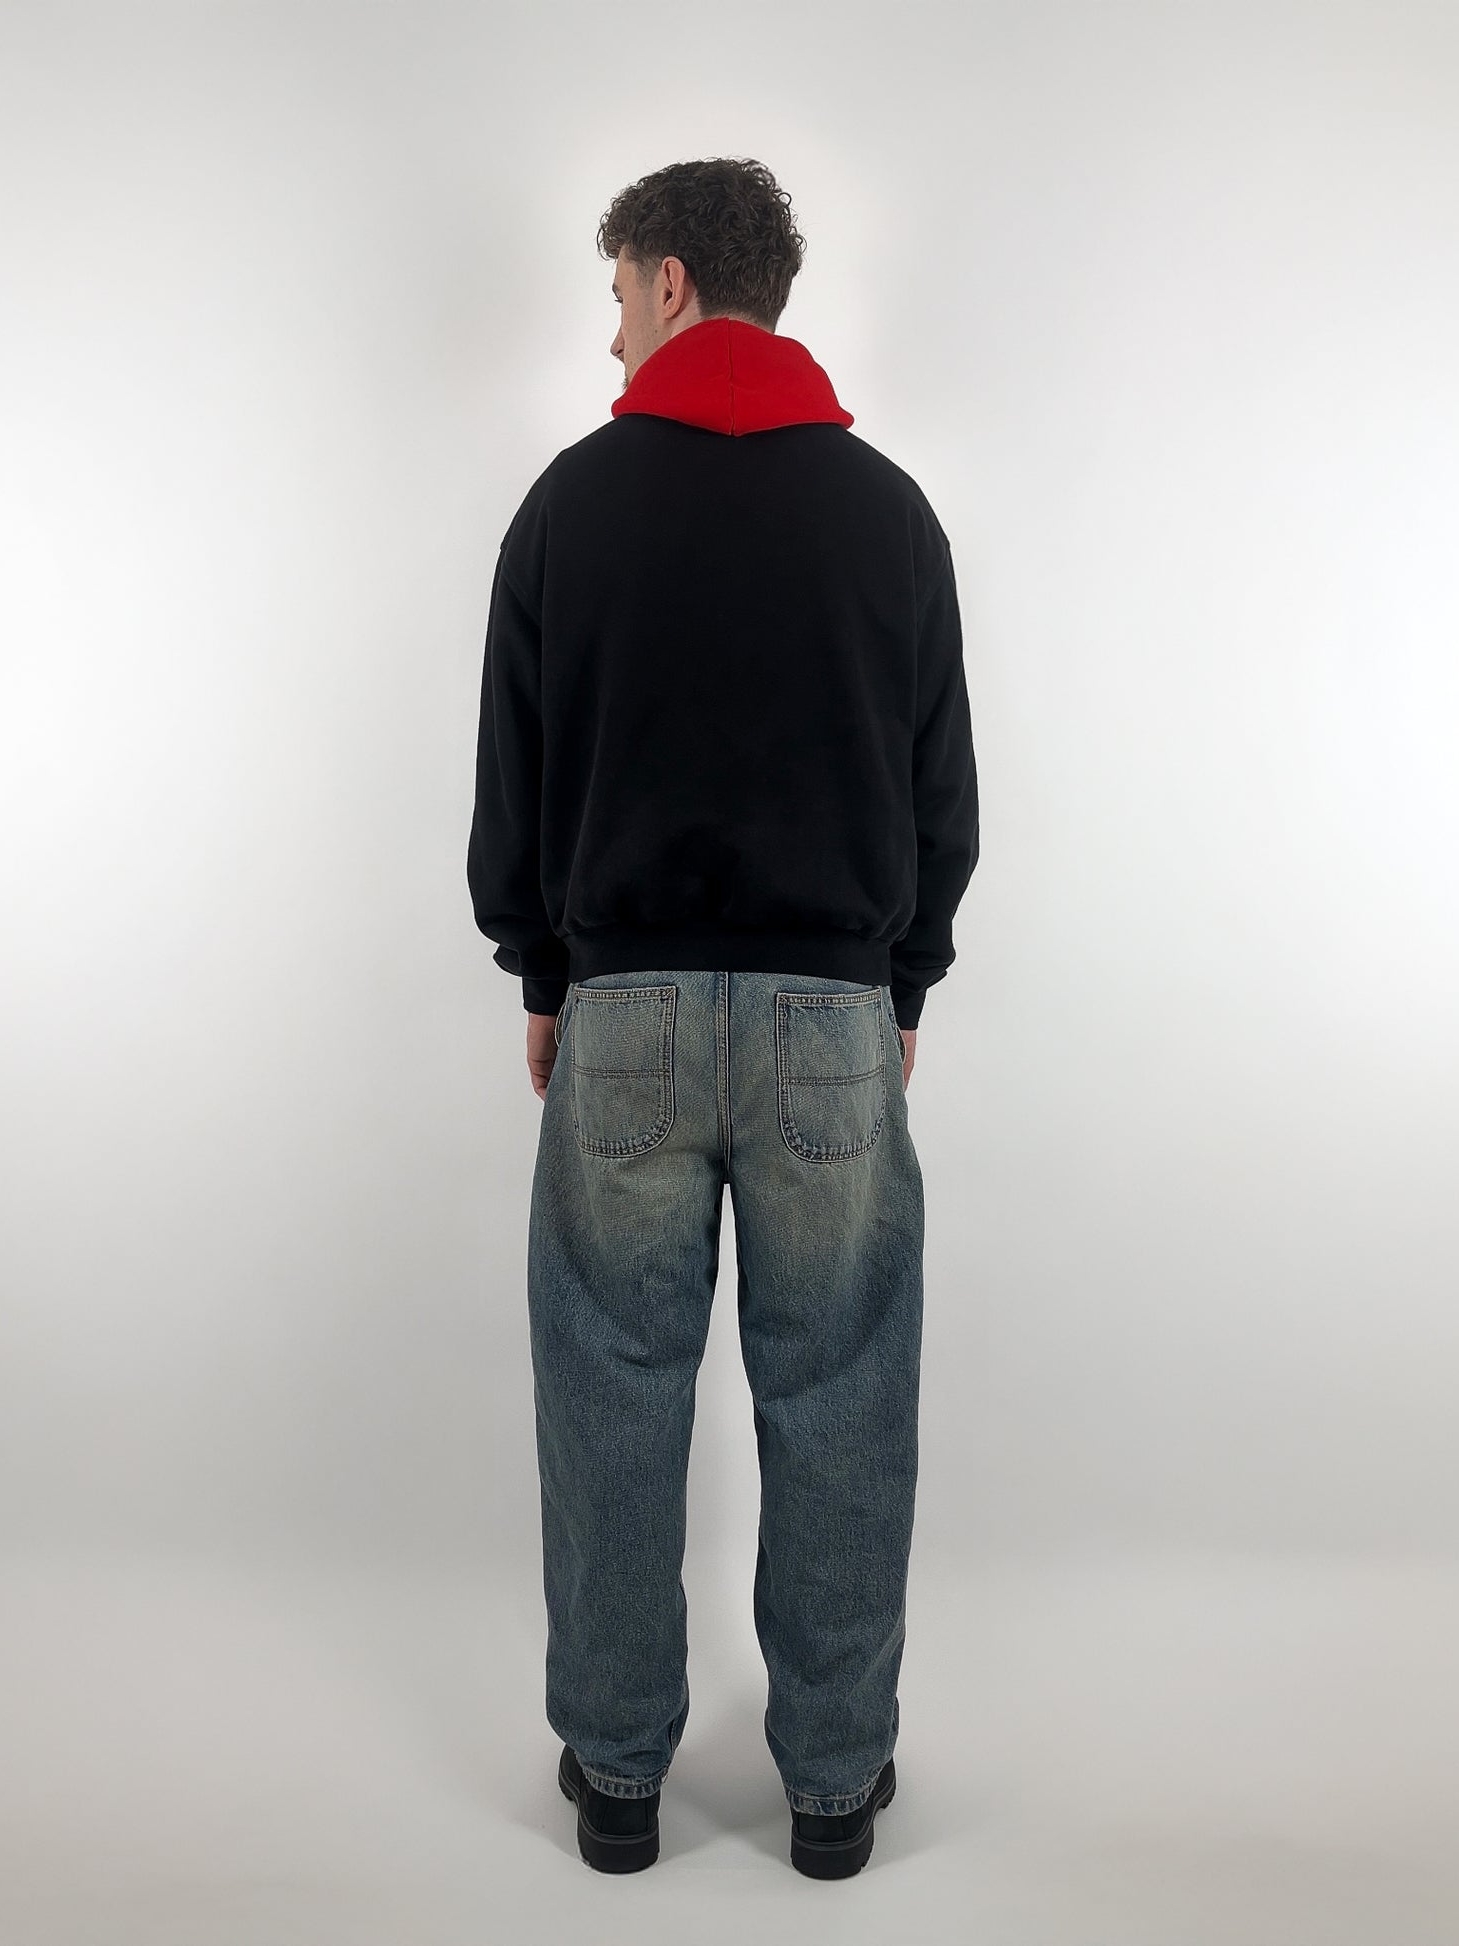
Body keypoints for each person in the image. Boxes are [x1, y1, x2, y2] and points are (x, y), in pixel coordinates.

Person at [466, 155, 979, 1879]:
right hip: (836, 1015)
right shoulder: (891, 516)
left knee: (610, 1385)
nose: (610, 332)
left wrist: (546, 970)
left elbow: (515, 779)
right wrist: (902, 979)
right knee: (842, 1389)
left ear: (674, 281)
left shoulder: (569, 506)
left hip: (625, 1011)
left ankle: (618, 1780)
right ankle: (833, 1786)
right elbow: (942, 789)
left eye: (618, 292)